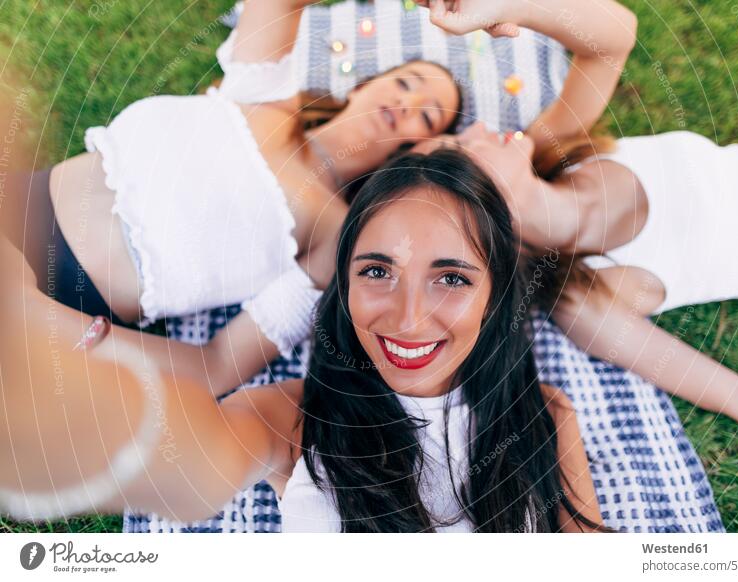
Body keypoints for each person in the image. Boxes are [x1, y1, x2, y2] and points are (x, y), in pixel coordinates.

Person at [1, 149, 602, 532]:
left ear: (495, 293)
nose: (409, 317)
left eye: (451, 278)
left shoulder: (548, 414)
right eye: (376, 271)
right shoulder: (290, 415)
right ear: (342, 286)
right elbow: (191, 471)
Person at [20, 0, 462, 396]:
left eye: (427, 115)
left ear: (419, 148)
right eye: (407, 83)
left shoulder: (339, 237)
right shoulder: (263, 95)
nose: (409, 103)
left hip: (58, 306)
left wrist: (86, 343)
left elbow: (216, 366)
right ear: (365, 84)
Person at [425, 108, 738, 454]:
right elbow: (735, 394)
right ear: (473, 208)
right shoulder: (581, 302)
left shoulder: (569, 151)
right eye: (460, 144)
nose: (476, 127)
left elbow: (614, 40)